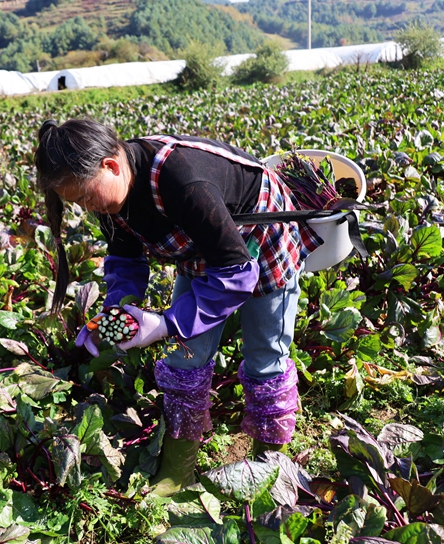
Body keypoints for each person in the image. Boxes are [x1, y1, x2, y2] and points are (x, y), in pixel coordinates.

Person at [34, 118, 322, 497]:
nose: (88, 208)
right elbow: (125, 259)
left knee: (265, 357)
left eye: (87, 197)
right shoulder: (112, 196)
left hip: (263, 238)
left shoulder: (182, 180)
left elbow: (236, 275)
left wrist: (165, 324)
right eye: (77, 203)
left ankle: (270, 466)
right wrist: (117, 310)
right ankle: (177, 470)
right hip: (205, 251)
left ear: (111, 165)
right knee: (185, 361)